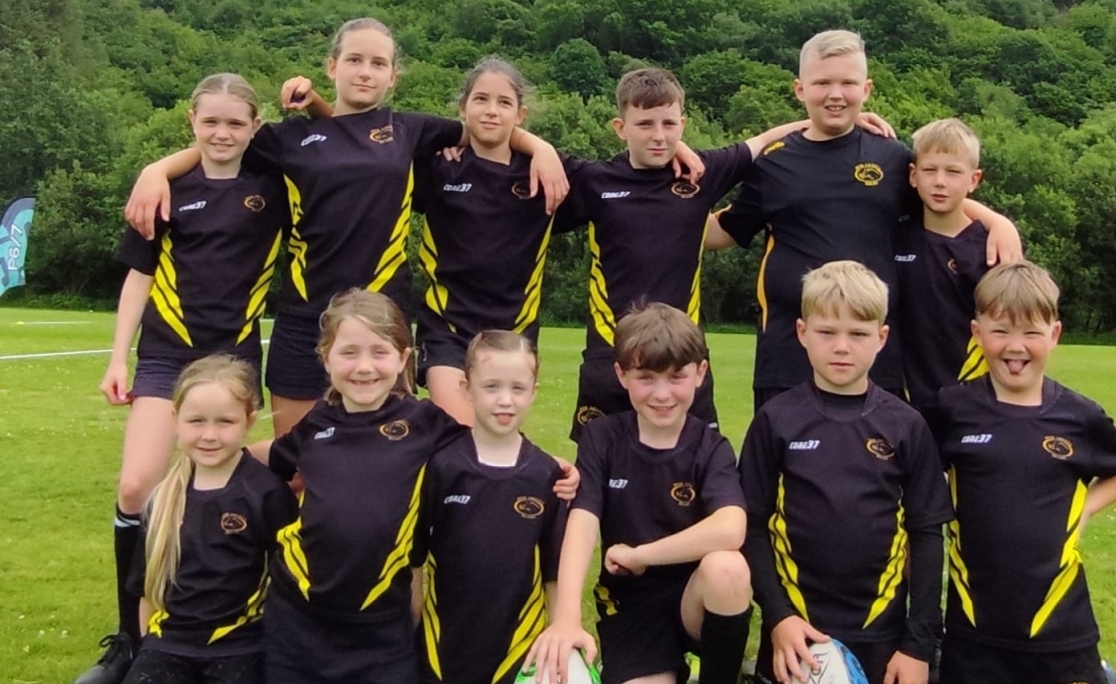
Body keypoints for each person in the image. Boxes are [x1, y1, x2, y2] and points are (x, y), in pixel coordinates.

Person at [124, 18, 567, 438]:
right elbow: (219, 145)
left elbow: (484, 129)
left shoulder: (410, 130)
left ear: (393, 76)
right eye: (354, 60)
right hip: (304, 319)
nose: (365, 72)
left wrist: (541, 148)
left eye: (378, 64)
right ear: (332, 66)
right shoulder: (288, 138)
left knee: (388, 453)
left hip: (383, 317)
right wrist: (156, 171)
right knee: (296, 465)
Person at [259, 289, 576, 684]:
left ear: (404, 358)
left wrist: (554, 464)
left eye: (379, 352)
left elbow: (489, 440)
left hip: (377, 616)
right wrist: (212, 458)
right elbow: (272, 465)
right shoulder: (315, 426)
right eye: (349, 353)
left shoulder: (425, 421)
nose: (365, 367)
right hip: (303, 607)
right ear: (326, 359)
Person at [74, 74, 285, 684]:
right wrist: (119, 358)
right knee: (138, 484)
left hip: (235, 362)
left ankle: (252, 627)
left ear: (254, 126)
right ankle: (129, 639)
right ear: (191, 121)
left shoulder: (273, 183)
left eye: (235, 123)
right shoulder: (165, 190)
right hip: (167, 358)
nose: (222, 134)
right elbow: (138, 278)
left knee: (246, 488)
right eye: (209, 122)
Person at [555, 67, 894, 442]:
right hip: (610, 356)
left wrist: (842, 118)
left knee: (693, 471)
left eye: (669, 124)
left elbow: (761, 142)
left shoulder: (701, 174)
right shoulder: (593, 180)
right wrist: (537, 149)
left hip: (685, 359)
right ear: (620, 127)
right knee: (599, 475)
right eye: (645, 124)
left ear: (683, 123)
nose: (658, 135)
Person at [706, 29, 1022, 409]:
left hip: (876, 363)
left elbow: (939, 199)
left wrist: (997, 221)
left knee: (875, 465)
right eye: (822, 82)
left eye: (847, 83)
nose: (835, 94)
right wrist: (652, 223)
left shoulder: (890, 157)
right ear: (799, 89)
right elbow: (725, 229)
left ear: (867, 88)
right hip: (788, 360)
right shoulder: (774, 161)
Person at [930, 261, 1116, 684]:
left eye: (1030, 331)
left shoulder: (1079, 415)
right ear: (977, 334)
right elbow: (920, 477)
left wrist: (1084, 511)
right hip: (976, 620)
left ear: (1054, 334)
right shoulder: (953, 409)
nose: (1015, 345)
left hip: (1057, 619)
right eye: (1000, 330)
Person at [528, 303, 753, 684]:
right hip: (631, 610)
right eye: (646, 377)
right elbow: (582, 523)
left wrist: (646, 553)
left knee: (728, 569)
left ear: (701, 373)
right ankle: (654, 674)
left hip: (695, 600)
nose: (662, 393)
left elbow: (731, 526)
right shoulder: (603, 437)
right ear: (621, 375)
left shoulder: (710, 445)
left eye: (676, 377)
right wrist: (566, 618)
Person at [739, 260, 953, 684]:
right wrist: (779, 617)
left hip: (879, 629)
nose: (841, 346)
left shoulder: (905, 425)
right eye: (827, 332)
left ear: (881, 338)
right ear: (802, 333)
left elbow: (927, 535)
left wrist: (917, 646)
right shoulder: (777, 420)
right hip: (798, 630)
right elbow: (751, 526)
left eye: (857, 334)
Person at [99, 355, 297, 684]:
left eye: (224, 422)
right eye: (196, 421)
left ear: (249, 419)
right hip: (170, 643)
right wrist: (148, 650)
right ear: (175, 419)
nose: (209, 435)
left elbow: (290, 583)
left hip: (240, 646)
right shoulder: (162, 497)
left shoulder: (266, 494)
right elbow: (145, 588)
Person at [413, 331, 566, 684]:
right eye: (491, 387)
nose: (505, 400)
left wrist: (559, 642)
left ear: (533, 393)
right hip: (445, 652)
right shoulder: (442, 467)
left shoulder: (546, 475)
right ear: (466, 389)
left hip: (514, 654)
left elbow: (554, 570)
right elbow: (416, 559)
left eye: (517, 389)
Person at [411, 59, 582, 425]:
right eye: (481, 99)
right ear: (463, 108)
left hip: (513, 338)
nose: (491, 111)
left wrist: (543, 151)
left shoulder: (546, 173)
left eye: (504, 103)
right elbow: (363, 147)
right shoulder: (438, 168)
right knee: (463, 434)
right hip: (447, 332)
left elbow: (627, 176)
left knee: (492, 449)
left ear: (520, 114)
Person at [896, 118, 990, 420]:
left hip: (968, 401)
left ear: (973, 180)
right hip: (900, 401)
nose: (940, 181)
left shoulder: (989, 249)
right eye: (930, 170)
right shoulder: (893, 236)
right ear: (913, 176)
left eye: (953, 172)